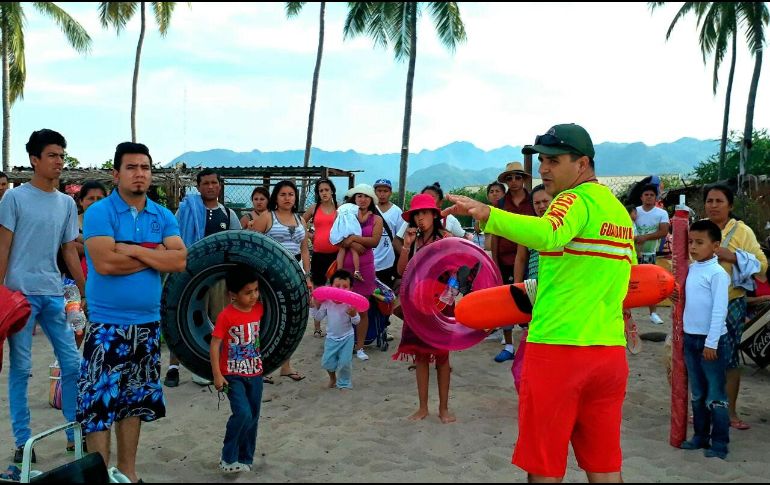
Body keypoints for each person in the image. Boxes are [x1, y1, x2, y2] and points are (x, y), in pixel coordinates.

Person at [446, 123, 634, 482]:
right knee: (605, 467)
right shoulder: (618, 211)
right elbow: (627, 278)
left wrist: (488, 214)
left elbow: (548, 234)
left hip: (560, 350)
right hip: (609, 353)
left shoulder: (573, 200)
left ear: (582, 163)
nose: (544, 169)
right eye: (541, 161)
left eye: (553, 160)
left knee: (544, 465)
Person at [78, 142, 187, 482]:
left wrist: (131, 250)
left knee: (133, 403)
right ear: (116, 173)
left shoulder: (162, 215)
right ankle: (99, 477)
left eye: (144, 167)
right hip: (106, 326)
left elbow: (181, 260)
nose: (139, 173)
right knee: (99, 407)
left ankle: (127, 473)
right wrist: (154, 254)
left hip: (148, 326)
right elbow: (105, 263)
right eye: (131, 167)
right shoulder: (100, 212)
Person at [0, 129, 86, 462]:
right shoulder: (14, 198)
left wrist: (83, 287)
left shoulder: (65, 203)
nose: (59, 162)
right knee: (21, 368)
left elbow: (67, 250)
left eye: (62, 155)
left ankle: (73, 433)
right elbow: (4, 246)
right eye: (52, 155)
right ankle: (23, 442)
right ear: (35, 160)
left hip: (53, 293)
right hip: (19, 295)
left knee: (73, 364)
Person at [165, 168, 241, 388]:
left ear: (220, 186)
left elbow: (236, 243)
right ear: (198, 187)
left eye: (214, 183)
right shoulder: (186, 210)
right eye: (205, 183)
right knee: (181, 320)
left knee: (217, 321)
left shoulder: (228, 214)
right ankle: (173, 367)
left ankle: (211, 368)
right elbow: (175, 237)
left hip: (218, 277)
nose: (210, 186)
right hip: (188, 275)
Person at [703, 184, 768, 430]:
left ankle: (729, 412)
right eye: (709, 201)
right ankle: (705, 408)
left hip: (731, 301)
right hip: (701, 303)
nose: (714, 205)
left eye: (719, 201)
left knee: (728, 357)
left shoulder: (743, 232)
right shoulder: (699, 228)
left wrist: (733, 256)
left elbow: (762, 266)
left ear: (730, 205)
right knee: (702, 356)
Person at [393, 193, 455, 423]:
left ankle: (444, 408)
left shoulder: (445, 238)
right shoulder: (413, 241)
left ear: (434, 215)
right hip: (417, 302)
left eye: (425, 213)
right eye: (417, 214)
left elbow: (455, 270)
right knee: (420, 356)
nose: (420, 218)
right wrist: (406, 247)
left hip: (441, 302)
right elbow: (401, 272)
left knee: (442, 357)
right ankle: (422, 407)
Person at [251, 180, 311, 382]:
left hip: (295, 273)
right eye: (283, 194)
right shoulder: (267, 217)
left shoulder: (300, 219)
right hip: (269, 275)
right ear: (276, 197)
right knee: (266, 319)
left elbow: (304, 250)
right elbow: (251, 244)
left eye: (291, 194)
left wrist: (307, 275)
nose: (287, 198)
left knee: (291, 319)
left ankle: (285, 366)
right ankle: (262, 367)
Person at [680, 219, 730, 459]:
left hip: (712, 342)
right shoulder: (691, 269)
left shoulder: (718, 274)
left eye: (700, 242)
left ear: (715, 245)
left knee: (715, 395)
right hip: (691, 339)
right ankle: (700, 436)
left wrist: (711, 343)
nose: (693, 247)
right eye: (691, 242)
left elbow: (720, 310)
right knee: (698, 393)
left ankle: (719, 443)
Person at [210, 264, 265, 473]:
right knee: (242, 413)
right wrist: (217, 374)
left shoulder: (259, 309)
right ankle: (228, 457)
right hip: (232, 375)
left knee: (254, 417)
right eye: (247, 292)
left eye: (256, 290)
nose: (253, 296)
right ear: (233, 294)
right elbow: (215, 344)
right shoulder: (226, 316)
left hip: (256, 372)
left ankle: (245, 458)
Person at [510, 184, 553, 392]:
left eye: (546, 201)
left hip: (556, 290)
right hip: (533, 289)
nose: (542, 206)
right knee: (533, 334)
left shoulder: (564, 226)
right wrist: (517, 288)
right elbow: (520, 258)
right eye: (537, 203)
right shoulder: (531, 226)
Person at [493, 162, 536, 363]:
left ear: (523, 179)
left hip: (532, 259)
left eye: (517, 177)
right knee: (505, 301)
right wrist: (494, 262)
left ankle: (531, 345)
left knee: (532, 299)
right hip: (505, 258)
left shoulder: (534, 201)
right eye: (509, 178)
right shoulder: (501, 204)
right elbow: (495, 235)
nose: (514, 181)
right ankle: (509, 345)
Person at [337, 184, 383, 361]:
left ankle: (360, 346)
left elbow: (374, 241)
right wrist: (353, 243)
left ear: (372, 199)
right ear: (353, 198)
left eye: (366, 196)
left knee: (362, 309)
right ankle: (344, 344)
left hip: (365, 268)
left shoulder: (376, 219)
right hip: (345, 268)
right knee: (343, 309)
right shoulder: (346, 214)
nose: (362, 199)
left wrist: (353, 239)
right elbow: (337, 238)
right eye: (359, 196)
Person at [311, 270, 361, 390]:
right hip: (331, 338)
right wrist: (313, 307)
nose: (341, 289)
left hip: (347, 337)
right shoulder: (327, 303)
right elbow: (318, 317)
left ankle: (344, 383)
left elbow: (357, 321)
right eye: (337, 286)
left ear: (351, 289)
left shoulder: (350, 303)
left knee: (345, 363)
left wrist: (354, 314)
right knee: (327, 362)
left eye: (345, 287)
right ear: (331, 287)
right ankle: (333, 379)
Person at [303, 179, 339, 337]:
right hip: (318, 255)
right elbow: (300, 223)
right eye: (320, 190)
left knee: (336, 290)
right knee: (318, 291)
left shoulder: (340, 209)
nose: (324, 193)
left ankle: (335, 325)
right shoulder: (314, 208)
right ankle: (317, 327)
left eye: (326, 189)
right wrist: (310, 235)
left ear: (332, 191)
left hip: (337, 255)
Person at [634, 184, 670, 325]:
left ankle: (653, 313)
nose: (649, 197)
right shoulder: (634, 211)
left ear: (656, 197)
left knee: (651, 282)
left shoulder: (661, 213)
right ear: (641, 197)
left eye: (651, 195)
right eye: (646, 194)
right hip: (632, 253)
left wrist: (645, 237)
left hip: (649, 252)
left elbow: (663, 232)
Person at [372, 178, 404, 291]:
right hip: (370, 257)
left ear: (390, 192)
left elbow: (400, 238)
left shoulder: (397, 212)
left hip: (388, 260)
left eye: (385, 191)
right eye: (379, 191)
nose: (382, 194)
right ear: (374, 192)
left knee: (386, 292)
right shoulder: (369, 209)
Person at [330, 200, 366, 282]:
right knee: (354, 251)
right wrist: (367, 214)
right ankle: (357, 271)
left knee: (341, 250)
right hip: (351, 230)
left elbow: (334, 219)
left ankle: (339, 271)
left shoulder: (340, 208)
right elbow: (362, 220)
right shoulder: (356, 208)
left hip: (341, 230)